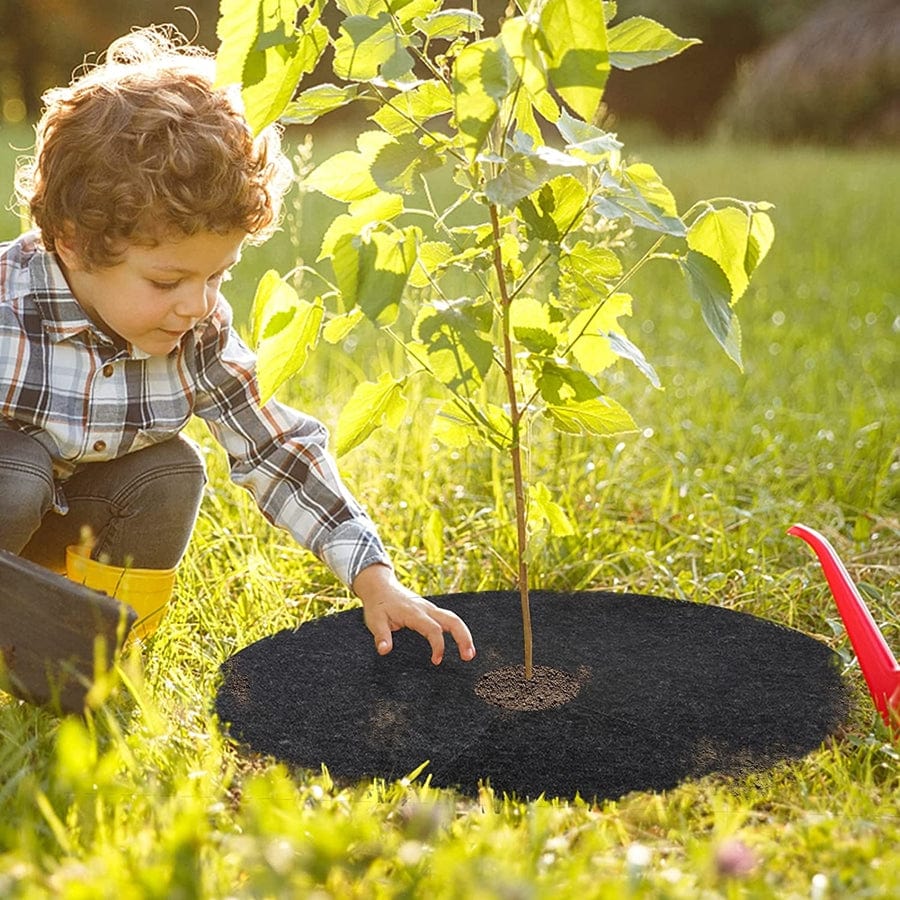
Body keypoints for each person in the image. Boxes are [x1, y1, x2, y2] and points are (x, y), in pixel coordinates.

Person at [0, 25, 475, 665]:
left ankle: (85, 659)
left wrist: (375, 577)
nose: (197, 303)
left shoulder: (194, 330)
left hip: (61, 537)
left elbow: (276, 446)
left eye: (216, 275)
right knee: (15, 475)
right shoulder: (8, 303)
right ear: (72, 241)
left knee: (170, 473)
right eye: (168, 280)